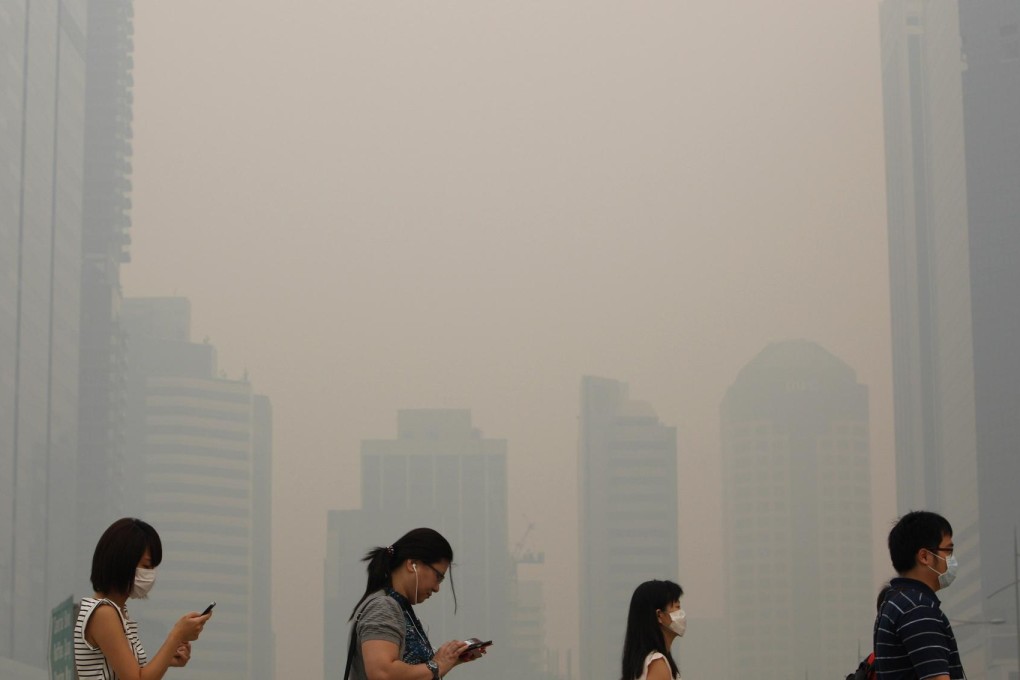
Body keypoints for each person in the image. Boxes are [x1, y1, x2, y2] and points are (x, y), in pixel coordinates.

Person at [74, 518, 211, 679]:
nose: (150, 574)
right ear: (123, 561)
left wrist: (167, 659)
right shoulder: (103, 613)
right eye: (146, 566)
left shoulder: (115, 611)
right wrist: (177, 634)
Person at [345, 528, 486, 680]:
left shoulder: (397, 607)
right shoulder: (383, 607)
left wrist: (449, 660)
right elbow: (383, 673)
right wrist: (437, 665)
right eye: (438, 576)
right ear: (412, 564)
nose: (437, 588)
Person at [874, 511, 964, 680]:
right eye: (948, 551)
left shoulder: (895, 602)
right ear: (924, 556)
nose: (952, 559)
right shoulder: (918, 609)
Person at [619, 579, 685, 680]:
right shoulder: (657, 663)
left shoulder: (641, 662)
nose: (681, 613)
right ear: (659, 615)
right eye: (677, 607)